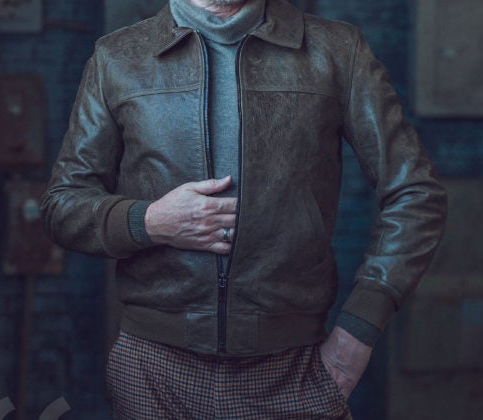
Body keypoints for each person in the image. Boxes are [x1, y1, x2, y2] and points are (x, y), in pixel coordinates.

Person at [41, 0, 447, 417]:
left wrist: (358, 331)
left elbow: (416, 193)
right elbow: (63, 206)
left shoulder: (338, 50)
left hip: (293, 370)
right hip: (152, 371)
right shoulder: (117, 57)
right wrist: (151, 221)